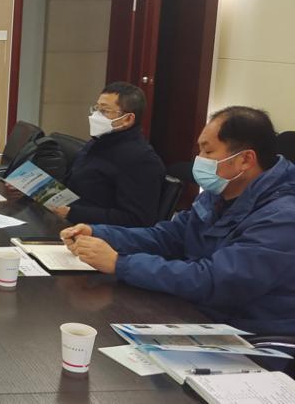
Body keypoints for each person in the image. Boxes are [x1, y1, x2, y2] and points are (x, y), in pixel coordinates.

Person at [61, 106, 295, 335]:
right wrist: (99, 233)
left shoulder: (282, 217)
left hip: (255, 333)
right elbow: (168, 237)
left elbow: (217, 280)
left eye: (208, 152)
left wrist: (120, 264)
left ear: (245, 159)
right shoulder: (219, 194)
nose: (199, 159)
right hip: (202, 314)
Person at [53, 82, 165, 226]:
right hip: (69, 220)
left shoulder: (141, 160)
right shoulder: (99, 142)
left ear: (128, 119)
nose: (95, 116)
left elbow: (136, 220)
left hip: (94, 232)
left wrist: (72, 213)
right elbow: (78, 185)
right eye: (96, 108)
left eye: (104, 111)